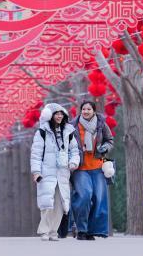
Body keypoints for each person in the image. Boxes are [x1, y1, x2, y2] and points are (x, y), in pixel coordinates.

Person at [31, 103, 80, 241]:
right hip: (46, 172)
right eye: (56, 114)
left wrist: (73, 162)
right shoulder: (42, 132)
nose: (59, 116)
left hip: (63, 172)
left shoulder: (68, 132)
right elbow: (36, 154)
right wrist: (36, 171)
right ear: (49, 116)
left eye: (61, 114)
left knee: (60, 204)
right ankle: (44, 231)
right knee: (47, 202)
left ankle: (53, 231)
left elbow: (74, 150)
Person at [70, 100, 114, 240]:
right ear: (81, 111)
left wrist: (104, 147)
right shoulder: (73, 125)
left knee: (98, 198)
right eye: (84, 109)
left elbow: (110, 140)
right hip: (80, 168)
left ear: (94, 111)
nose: (86, 111)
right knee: (84, 196)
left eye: (89, 109)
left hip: (98, 167)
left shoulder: (101, 124)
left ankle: (92, 231)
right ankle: (81, 229)